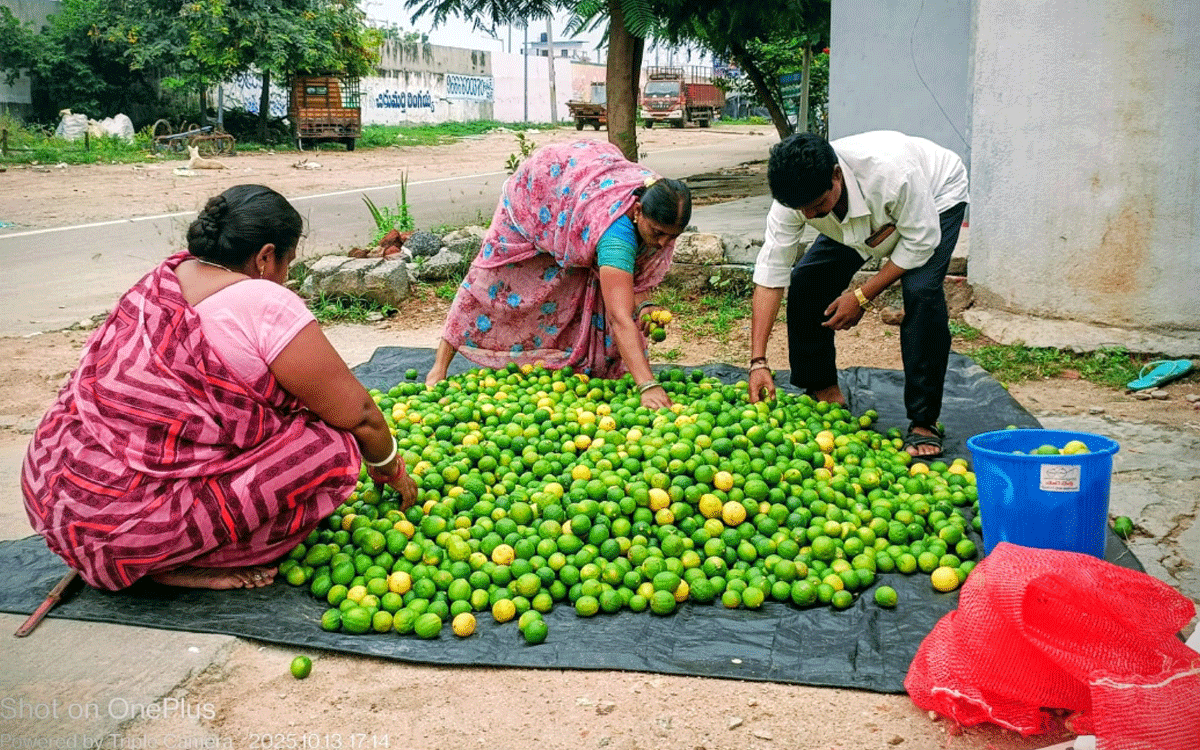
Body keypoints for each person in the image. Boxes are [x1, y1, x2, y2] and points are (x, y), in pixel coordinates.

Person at [21, 185, 416, 592]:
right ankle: (189, 556)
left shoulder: (163, 281)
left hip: (63, 497)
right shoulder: (263, 300)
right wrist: (391, 469)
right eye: (288, 263)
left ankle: (162, 555)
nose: (286, 276)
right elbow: (361, 415)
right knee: (333, 445)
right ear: (265, 257)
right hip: (128, 528)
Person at [747, 131, 969, 458]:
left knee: (922, 292)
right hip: (866, 220)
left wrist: (862, 296)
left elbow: (920, 243)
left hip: (935, 198)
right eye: (801, 210)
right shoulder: (796, 197)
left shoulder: (893, 174)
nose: (809, 217)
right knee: (808, 280)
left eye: (817, 205)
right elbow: (770, 274)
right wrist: (757, 361)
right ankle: (822, 388)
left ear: (835, 175)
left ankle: (924, 422)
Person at [426, 139, 692, 410]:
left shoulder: (660, 203)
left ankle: (586, 367)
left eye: (672, 238)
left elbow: (631, 278)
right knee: (490, 282)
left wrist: (645, 305)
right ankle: (437, 370)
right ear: (637, 211)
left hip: (582, 185)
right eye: (657, 233)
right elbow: (619, 317)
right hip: (539, 192)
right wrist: (648, 385)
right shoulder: (616, 236)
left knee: (585, 286)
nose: (662, 244)